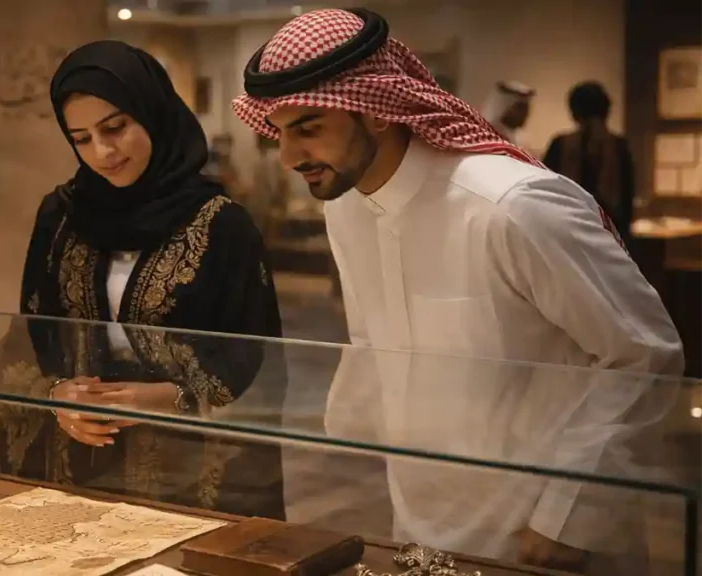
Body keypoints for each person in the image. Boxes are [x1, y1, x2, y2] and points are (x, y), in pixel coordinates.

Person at [231, 7, 682, 573]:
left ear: (375, 111)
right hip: (419, 529)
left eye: (308, 128)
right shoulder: (346, 208)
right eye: (279, 132)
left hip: (543, 540)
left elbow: (644, 354)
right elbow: (377, 346)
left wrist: (568, 518)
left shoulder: (511, 207)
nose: (289, 157)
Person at [0, 39, 286, 519]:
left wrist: (175, 397)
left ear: (152, 112)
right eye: (81, 138)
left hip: (187, 464)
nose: (102, 151)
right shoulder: (61, 216)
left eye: (115, 128)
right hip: (79, 458)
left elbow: (256, 356)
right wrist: (57, 395)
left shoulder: (222, 224)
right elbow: (31, 333)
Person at [544, 82, 635, 242]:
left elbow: (546, 192)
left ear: (574, 112)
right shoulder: (618, 146)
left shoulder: (561, 145)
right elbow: (627, 198)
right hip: (609, 234)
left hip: (567, 230)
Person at [480, 80, 535, 146]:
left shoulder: (520, 138)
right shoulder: (486, 135)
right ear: (503, 108)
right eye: (520, 109)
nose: (525, 115)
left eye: (525, 110)